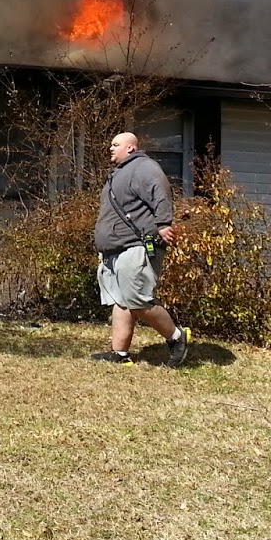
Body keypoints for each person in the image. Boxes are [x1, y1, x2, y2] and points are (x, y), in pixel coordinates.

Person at [91, 131, 189, 366]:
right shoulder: (118, 173)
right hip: (114, 248)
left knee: (137, 299)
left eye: (116, 144)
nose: (110, 148)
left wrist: (163, 224)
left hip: (135, 245)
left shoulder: (144, 167)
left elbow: (160, 192)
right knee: (121, 300)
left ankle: (177, 337)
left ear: (130, 148)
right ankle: (120, 353)